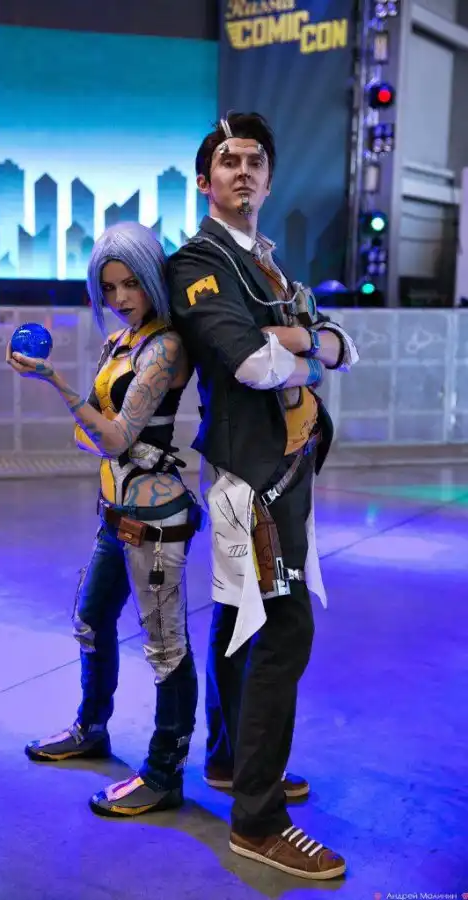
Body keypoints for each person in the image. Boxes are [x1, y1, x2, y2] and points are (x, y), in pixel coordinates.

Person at [167, 113, 358, 880]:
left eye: (254, 160)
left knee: (237, 621)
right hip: (251, 482)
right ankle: (259, 818)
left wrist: (301, 340)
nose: (242, 170)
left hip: (288, 469)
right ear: (205, 181)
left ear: (269, 180)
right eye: (227, 160)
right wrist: (308, 352)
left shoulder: (268, 265)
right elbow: (249, 364)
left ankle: (229, 760)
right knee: (283, 629)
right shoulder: (199, 262)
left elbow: (342, 341)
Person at [7, 222, 200, 817]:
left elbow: (112, 437)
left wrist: (55, 382)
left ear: (153, 280)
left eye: (131, 284)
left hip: (155, 521)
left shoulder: (165, 347)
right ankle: (92, 728)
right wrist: (93, 421)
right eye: (109, 287)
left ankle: (164, 774)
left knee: (165, 649)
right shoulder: (121, 342)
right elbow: (95, 435)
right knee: (91, 621)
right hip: (115, 512)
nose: (119, 298)